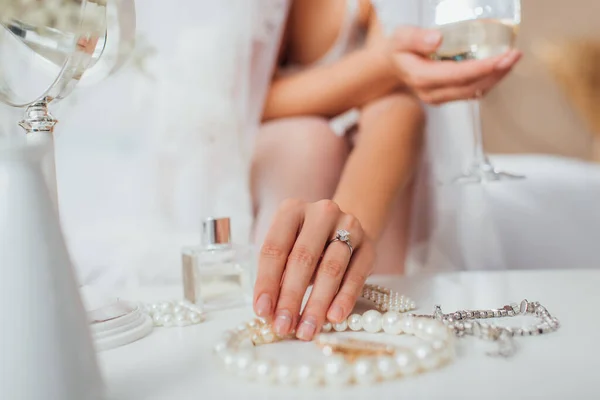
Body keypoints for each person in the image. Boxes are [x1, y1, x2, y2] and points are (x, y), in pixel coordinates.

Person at [250, 0, 522, 342]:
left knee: (389, 121)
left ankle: (346, 298)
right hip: (242, 147)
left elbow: (397, 107)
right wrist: (382, 64)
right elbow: (234, 104)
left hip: (367, 144)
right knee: (309, 143)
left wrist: (348, 229)